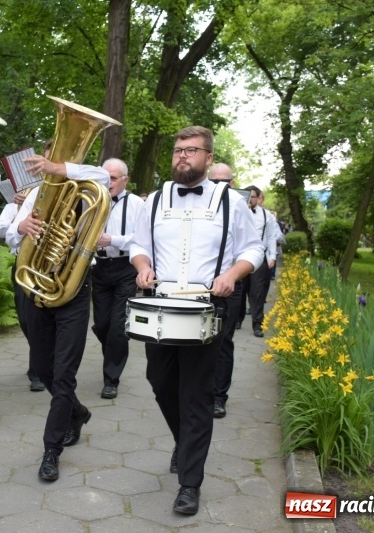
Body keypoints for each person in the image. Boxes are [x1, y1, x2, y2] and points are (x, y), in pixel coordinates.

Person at [130, 126, 263, 515]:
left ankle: (190, 483)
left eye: (191, 150)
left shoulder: (231, 202)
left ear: (207, 157)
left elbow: (252, 246)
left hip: (209, 306)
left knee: (197, 394)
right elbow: (138, 244)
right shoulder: (153, 200)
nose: (181, 156)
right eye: (176, 150)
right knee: (160, 383)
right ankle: (185, 443)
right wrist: (142, 265)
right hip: (161, 305)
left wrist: (232, 276)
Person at [5, 151, 109, 482]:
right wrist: (21, 226)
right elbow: (8, 236)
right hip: (35, 283)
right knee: (42, 368)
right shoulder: (36, 193)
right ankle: (76, 413)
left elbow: (107, 176)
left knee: (64, 374)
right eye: (46, 159)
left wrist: (62, 169)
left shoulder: (90, 186)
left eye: (54, 159)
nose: (46, 164)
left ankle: (52, 450)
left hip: (74, 288)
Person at [91, 158, 143, 399]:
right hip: (99, 267)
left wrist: (113, 239)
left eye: (112, 178)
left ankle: (111, 379)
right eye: (104, 177)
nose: (107, 182)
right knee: (102, 325)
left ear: (125, 180)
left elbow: (142, 238)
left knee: (117, 326)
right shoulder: (91, 200)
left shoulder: (137, 204)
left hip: (125, 268)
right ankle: (114, 353)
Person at [0, 189, 45, 392]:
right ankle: (41, 356)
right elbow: (1, 230)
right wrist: (19, 213)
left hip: (47, 263)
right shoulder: (13, 206)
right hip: (23, 263)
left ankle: (38, 371)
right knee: (25, 318)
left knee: (38, 318)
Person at [207, 163, 242, 419]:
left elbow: (251, 250)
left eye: (224, 181)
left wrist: (231, 275)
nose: (219, 186)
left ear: (231, 183)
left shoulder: (238, 206)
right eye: (214, 181)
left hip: (229, 286)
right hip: (198, 287)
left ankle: (219, 396)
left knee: (222, 342)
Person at [244, 185, 278, 338]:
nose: (250, 199)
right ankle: (236, 320)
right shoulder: (236, 212)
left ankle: (258, 324)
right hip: (239, 258)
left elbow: (271, 237)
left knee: (257, 293)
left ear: (258, 198)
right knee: (238, 292)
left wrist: (272, 256)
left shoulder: (266, 216)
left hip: (259, 258)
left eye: (253, 197)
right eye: (248, 196)